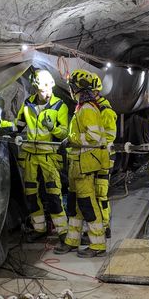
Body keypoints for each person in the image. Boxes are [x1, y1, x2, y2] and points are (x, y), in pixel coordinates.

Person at [0, 69, 69, 242]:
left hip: (48, 157)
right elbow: (19, 126)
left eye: (49, 89)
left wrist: (53, 127)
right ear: (36, 88)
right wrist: (3, 124)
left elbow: (64, 133)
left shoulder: (59, 106)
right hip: (30, 155)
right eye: (44, 90)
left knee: (54, 194)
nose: (47, 93)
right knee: (31, 194)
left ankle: (63, 232)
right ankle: (40, 228)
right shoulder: (28, 104)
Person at [54, 70, 109, 258]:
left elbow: (94, 137)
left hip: (85, 166)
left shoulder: (87, 109)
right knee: (74, 205)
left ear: (76, 88)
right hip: (77, 165)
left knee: (88, 204)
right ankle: (72, 240)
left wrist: (72, 139)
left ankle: (98, 245)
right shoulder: (81, 107)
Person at [91, 73, 117, 238]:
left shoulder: (105, 110)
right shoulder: (88, 107)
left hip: (104, 158)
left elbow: (109, 136)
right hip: (93, 158)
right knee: (92, 194)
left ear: (96, 92)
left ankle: (105, 226)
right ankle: (96, 225)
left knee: (100, 194)